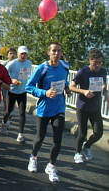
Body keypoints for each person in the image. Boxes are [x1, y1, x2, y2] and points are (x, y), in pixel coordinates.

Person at [25, 42, 71, 183]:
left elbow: (64, 81)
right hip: (44, 108)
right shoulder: (42, 68)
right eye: (54, 51)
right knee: (40, 137)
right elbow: (29, 87)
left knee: (58, 140)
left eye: (59, 51)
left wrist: (67, 88)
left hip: (59, 108)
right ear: (48, 53)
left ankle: (51, 165)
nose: (56, 54)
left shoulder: (65, 66)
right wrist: (44, 92)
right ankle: (33, 157)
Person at [70, 48, 107, 163]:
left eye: (100, 62)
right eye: (95, 63)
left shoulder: (103, 71)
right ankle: (77, 153)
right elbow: (71, 86)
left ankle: (87, 146)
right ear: (90, 60)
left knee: (99, 132)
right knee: (82, 133)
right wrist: (84, 91)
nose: (98, 65)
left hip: (95, 107)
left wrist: (105, 92)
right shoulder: (83, 72)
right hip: (83, 106)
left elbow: (104, 83)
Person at [2, 46, 32, 142]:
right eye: (21, 54)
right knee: (9, 111)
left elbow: (28, 76)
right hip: (12, 91)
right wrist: (11, 80)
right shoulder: (12, 64)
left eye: (25, 54)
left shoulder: (29, 63)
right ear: (18, 54)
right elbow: (3, 74)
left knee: (22, 113)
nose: (23, 56)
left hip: (23, 91)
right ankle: (4, 121)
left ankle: (20, 134)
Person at [0, 48, 17, 114]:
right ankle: (6, 113)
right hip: (5, 85)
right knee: (5, 101)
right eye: (10, 53)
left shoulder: (18, 64)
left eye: (14, 53)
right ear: (7, 55)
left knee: (12, 102)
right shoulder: (4, 64)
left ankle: (9, 114)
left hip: (15, 86)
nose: (12, 55)